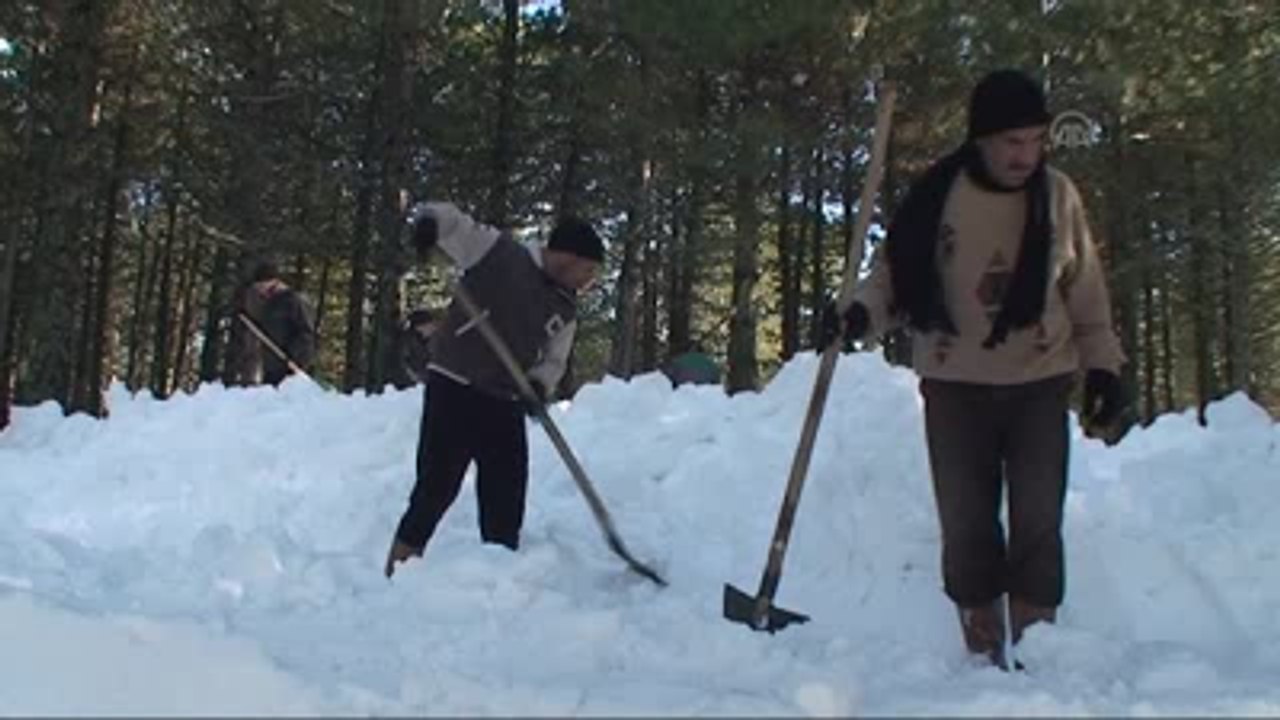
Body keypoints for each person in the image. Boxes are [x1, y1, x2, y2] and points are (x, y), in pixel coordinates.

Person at [823, 69, 1128, 667]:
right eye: (1012, 141)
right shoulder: (940, 197)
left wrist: (1104, 370)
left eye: (1036, 140)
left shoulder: (1057, 196)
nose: (1026, 155)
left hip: (1039, 379)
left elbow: (1085, 291)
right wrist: (858, 315)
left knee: (1039, 515)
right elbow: (893, 275)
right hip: (954, 380)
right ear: (982, 140)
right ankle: (981, 640)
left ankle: (1039, 646)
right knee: (965, 519)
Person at [384, 203, 604, 578]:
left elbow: (554, 360)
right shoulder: (498, 253)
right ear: (567, 256)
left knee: (506, 496)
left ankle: (498, 584)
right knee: (436, 487)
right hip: (454, 385)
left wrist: (538, 385)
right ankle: (399, 573)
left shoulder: (564, 308)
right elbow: (451, 221)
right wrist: (429, 224)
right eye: (588, 270)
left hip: (504, 400)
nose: (589, 281)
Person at [233, 259, 316, 387]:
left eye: (264, 285)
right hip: (270, 367)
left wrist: (297, 359)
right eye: (258, 286)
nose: (260, 290)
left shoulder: (293, 301)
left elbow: (305, 334)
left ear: (276, 282)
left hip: (290, 367)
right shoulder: (263, 302)